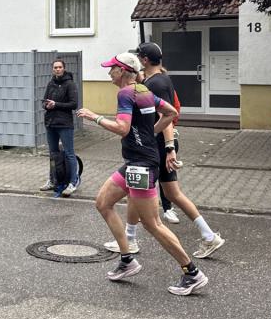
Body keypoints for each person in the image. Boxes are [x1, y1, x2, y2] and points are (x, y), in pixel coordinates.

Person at [78, 52, 209, 296]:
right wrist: (151, 133)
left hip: (141, 166)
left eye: (112, 68)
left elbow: (122, 128)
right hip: (135, 163)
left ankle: (192, 272)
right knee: (103, 203)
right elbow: (171, 112)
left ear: (123, 71)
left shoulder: (126, 93)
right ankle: (127, 260)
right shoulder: (142, 90)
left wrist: (94, 117)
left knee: (153, 224)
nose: (109, 72)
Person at [104, 42, 225, 260]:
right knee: (169, 193)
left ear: (144, 60)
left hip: (155, 148)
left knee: (150, 198)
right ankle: (207, 235)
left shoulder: (155, 84)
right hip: (156, 146)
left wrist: (169, 148)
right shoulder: (160, 79)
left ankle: (133, 241)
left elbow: (167, 117)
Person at [39, 58, 80, 197]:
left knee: (69, 153)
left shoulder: (70, 84)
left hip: (64, 124)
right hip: (51, 123)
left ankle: (73, 182)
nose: (57, 69)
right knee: (53, 154)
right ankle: (53, 180)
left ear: (64, 68)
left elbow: (74, 104)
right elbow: (44, 101)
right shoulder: (51, 83)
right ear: (52, 69)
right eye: (55, 67)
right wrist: (46, 105)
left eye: (60, 67)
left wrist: (56, 104)